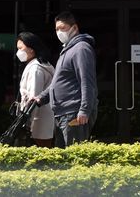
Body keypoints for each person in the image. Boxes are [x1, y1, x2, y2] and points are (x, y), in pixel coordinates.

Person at [35, 11, 98, 148]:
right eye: (57, 29)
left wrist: (84, 110)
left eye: (62, 28)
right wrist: (40, 98)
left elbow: (87, 82)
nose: (59, 32)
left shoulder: (81, 49)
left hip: (73, 113)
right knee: (63, 160)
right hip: (63, 113)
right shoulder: (67, 50)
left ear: (74, 28)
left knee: (73, 159)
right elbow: (57, 83)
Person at [16, 32, 55, 147]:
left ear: (31, 49)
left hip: (38, 121)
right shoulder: (42, 64)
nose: (19, 52)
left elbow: (34, 98)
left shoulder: (35, 69)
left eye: (20, 48)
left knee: (41, 155)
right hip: (43, 119)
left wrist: (27, 123)